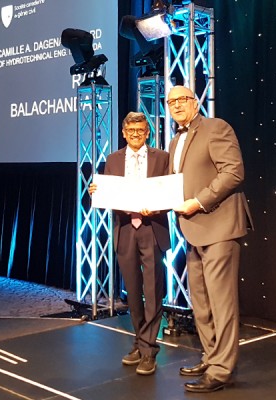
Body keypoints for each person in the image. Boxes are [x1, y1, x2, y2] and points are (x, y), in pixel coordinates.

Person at [166, 85, 253, 393]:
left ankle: (222, 370)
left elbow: (233, 173)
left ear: (194, 102)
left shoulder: (216, 128)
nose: (176, 105)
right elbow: (168, 184)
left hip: (219, 227)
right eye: (171, 101)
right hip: (192, 231)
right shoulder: (175, 139)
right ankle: (211, 355)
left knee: (221, 303)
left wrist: (198, 202)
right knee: (201, 304)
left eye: (181, 99)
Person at [89, 111, 170, 375]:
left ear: (147, 133)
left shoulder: (162, 158)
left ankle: (149, 350)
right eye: (131, 131)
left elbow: (170, 193)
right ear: (124, 133)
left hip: (151, 228)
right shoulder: (112, 159)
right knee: (132, 292)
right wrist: (96, 191)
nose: (136, 135)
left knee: (153, 290)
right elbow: (108, 195)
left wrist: (156, 207)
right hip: (125, 229)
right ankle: (140, 340)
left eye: (141, 131)